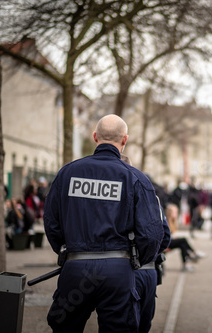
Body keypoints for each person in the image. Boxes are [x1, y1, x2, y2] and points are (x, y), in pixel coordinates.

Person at [43, 114, 165, 333]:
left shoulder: (68, 173)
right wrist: (135, 261)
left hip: (76, 267)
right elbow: (152, 233)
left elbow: (52, 222)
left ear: (95, 136)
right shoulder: (135, 178)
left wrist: (67, 250)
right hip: (118, 271)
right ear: (124, 140)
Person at [121, 153, 171, 333]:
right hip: (147, 269)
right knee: (143, 323)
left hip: (115, 270)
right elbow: (163, 236)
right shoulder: (149, 195)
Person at [165, 203, 204, 272]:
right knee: (183, 240)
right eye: (175, 212)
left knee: (182, 244)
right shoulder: (166, 221)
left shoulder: (173, 221)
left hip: (169, 241)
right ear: (170, 213)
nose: (177, 214)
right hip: (165, 244)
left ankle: (186, 262)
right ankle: (193, 254)